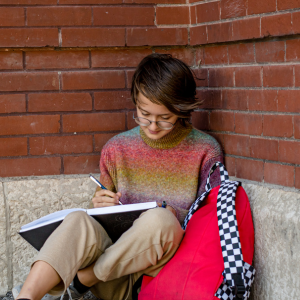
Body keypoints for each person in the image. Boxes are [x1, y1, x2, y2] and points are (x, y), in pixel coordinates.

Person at [14, 53, 223, 300]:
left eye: (164, 118)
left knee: (160, 220)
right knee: (77, 220)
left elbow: (208, 224)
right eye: (144, 114)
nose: (153, 126)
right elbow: (100, 217)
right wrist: (100, 203)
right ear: (135, 101)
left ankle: (82, 281)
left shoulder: (205, 150)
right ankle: (25, 297)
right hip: (115, 276)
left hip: (160, 275)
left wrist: (171, 216)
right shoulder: (116, 148)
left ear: (181, 109)